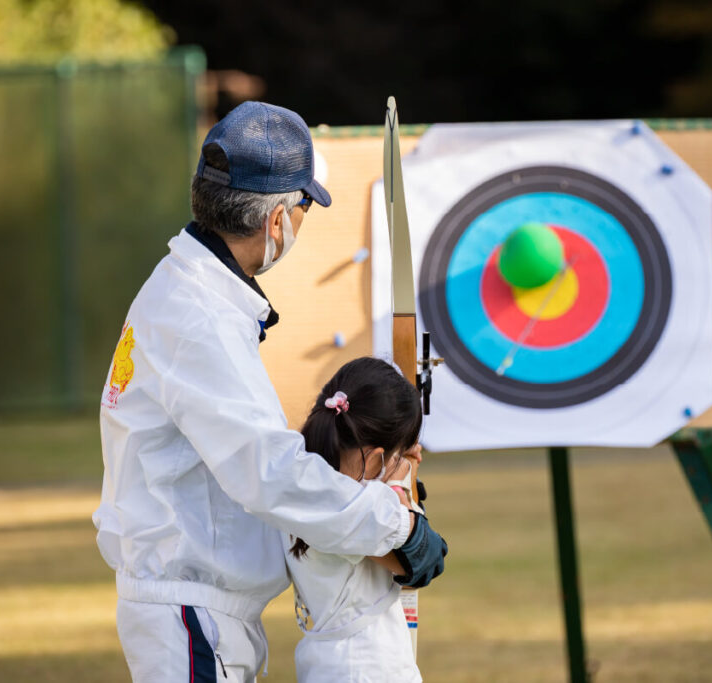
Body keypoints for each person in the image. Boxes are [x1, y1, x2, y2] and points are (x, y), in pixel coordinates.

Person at [92, 101, 447, 683]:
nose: (302, 222)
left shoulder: (190, 293)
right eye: (303, 207)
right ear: (276, 220)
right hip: (191, 610)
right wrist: (399, 530)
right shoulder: (197, 316)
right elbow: (266, 471)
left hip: (198, 608)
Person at [284, 357, 425, 683]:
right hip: (368, 667)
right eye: (394, 454)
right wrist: (400, 481)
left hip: (324, 663)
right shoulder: (356, 507)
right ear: (376, 459)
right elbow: (417, 562)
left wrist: (394, 473)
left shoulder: (298, 485)